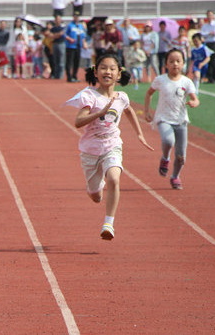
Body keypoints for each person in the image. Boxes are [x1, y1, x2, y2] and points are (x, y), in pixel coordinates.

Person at [65, 53, 153, 240]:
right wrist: (101, 112)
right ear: (95, 72)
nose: (108, 72)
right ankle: (95, 188)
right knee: (96, 195)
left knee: (114, 178)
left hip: (112, 145)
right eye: (103, 68)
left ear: (119, 74)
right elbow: (78, 122)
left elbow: (128, 110)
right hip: (90, 151)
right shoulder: (89, 96)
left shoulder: (122, 96)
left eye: (112, 68)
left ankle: (108, 224)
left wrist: (139, 134)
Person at [144, 49, 199, 190]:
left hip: (181, 121)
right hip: (163, 118)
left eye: (178, 61)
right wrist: (147, 111)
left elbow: (195, 98)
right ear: (166, 64)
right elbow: (149, 94)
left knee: (181, 156)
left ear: (183, 64)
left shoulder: (187, 82)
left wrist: (194, 103)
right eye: (171, 61)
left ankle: (175, 176)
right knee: (168, 141)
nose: (175, 64)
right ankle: (165, 158)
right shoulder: (160, 80)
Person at [65, 13, 87, 82]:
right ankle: (69, 77)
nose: (76, 18)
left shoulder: (80, 26)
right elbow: (64, 34)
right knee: (69, 61)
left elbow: (83, 36)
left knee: (76, 62)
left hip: (78, 46)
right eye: (75, 17)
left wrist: (83, 44)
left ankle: (74, 76)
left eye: (78, 17)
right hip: (71, 46)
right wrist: (70, 39)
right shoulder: (70, 25)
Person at [200, 10, 215, 83]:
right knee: (208, 60)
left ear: (213, 16)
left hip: (214, 43)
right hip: (208, 43)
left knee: (213, 60)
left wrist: (207, 34)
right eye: (208, 15)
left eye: (211, 15)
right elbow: (202, 34)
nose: (209, 17)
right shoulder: (205, 25)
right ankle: (210, 77)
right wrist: (209, 33)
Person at [51, 15, 66, 79]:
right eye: (56, 19)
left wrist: (56, 35)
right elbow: (51, 36)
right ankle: (56, 75)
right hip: (54, 44)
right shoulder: (53, 28)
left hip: (61, 44)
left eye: (58, 19)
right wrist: (58, 34)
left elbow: (62, 34)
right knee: (56, 60)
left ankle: (61, 75)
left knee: (61, 60)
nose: (57, 20)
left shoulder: (63, 27)